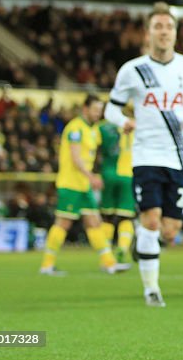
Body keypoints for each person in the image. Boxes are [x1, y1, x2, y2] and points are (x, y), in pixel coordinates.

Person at [104, 1, 183, 307]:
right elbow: (111, 107)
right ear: (148, 33)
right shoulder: (133, 70)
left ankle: (142, 238)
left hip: (177, 157)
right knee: (151, 221)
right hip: (146, 155)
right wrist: (124, 121)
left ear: (176, 33)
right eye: (158, 27)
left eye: (169, 27)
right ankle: (151, 290)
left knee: (170, 230)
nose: (164, 32)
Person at [39, 94, 131, 276]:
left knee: (94, 222)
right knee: (63, 223)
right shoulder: (75, 128)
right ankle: (47, 265)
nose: (98, 114)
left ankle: (109, 263)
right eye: (95, 110)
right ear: (85, 109)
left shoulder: (94, 130)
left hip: (83, 185)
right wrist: (91, 176)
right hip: (71, 184)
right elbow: (75, 157)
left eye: (100, 110)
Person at [98, 116, 136, 263]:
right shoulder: (136, 127)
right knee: (126, 217)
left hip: (109, 174)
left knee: (107, 217)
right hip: (128, 175)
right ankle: (123, 248)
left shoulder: (104, 127)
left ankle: (107, 253)